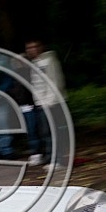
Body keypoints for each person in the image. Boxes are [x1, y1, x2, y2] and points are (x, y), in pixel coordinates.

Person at [25, 39, 66, 167]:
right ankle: (49, 157)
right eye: (29, 48)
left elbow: (55, 82)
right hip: (41, 103)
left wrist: (49, 102)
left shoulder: (49, 60)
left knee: (54, 131)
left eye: (35, 46)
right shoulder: (34, 63)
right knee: (45, 132)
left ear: (41, 46)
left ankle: (58, 159)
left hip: (52, 103)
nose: (33, 50)